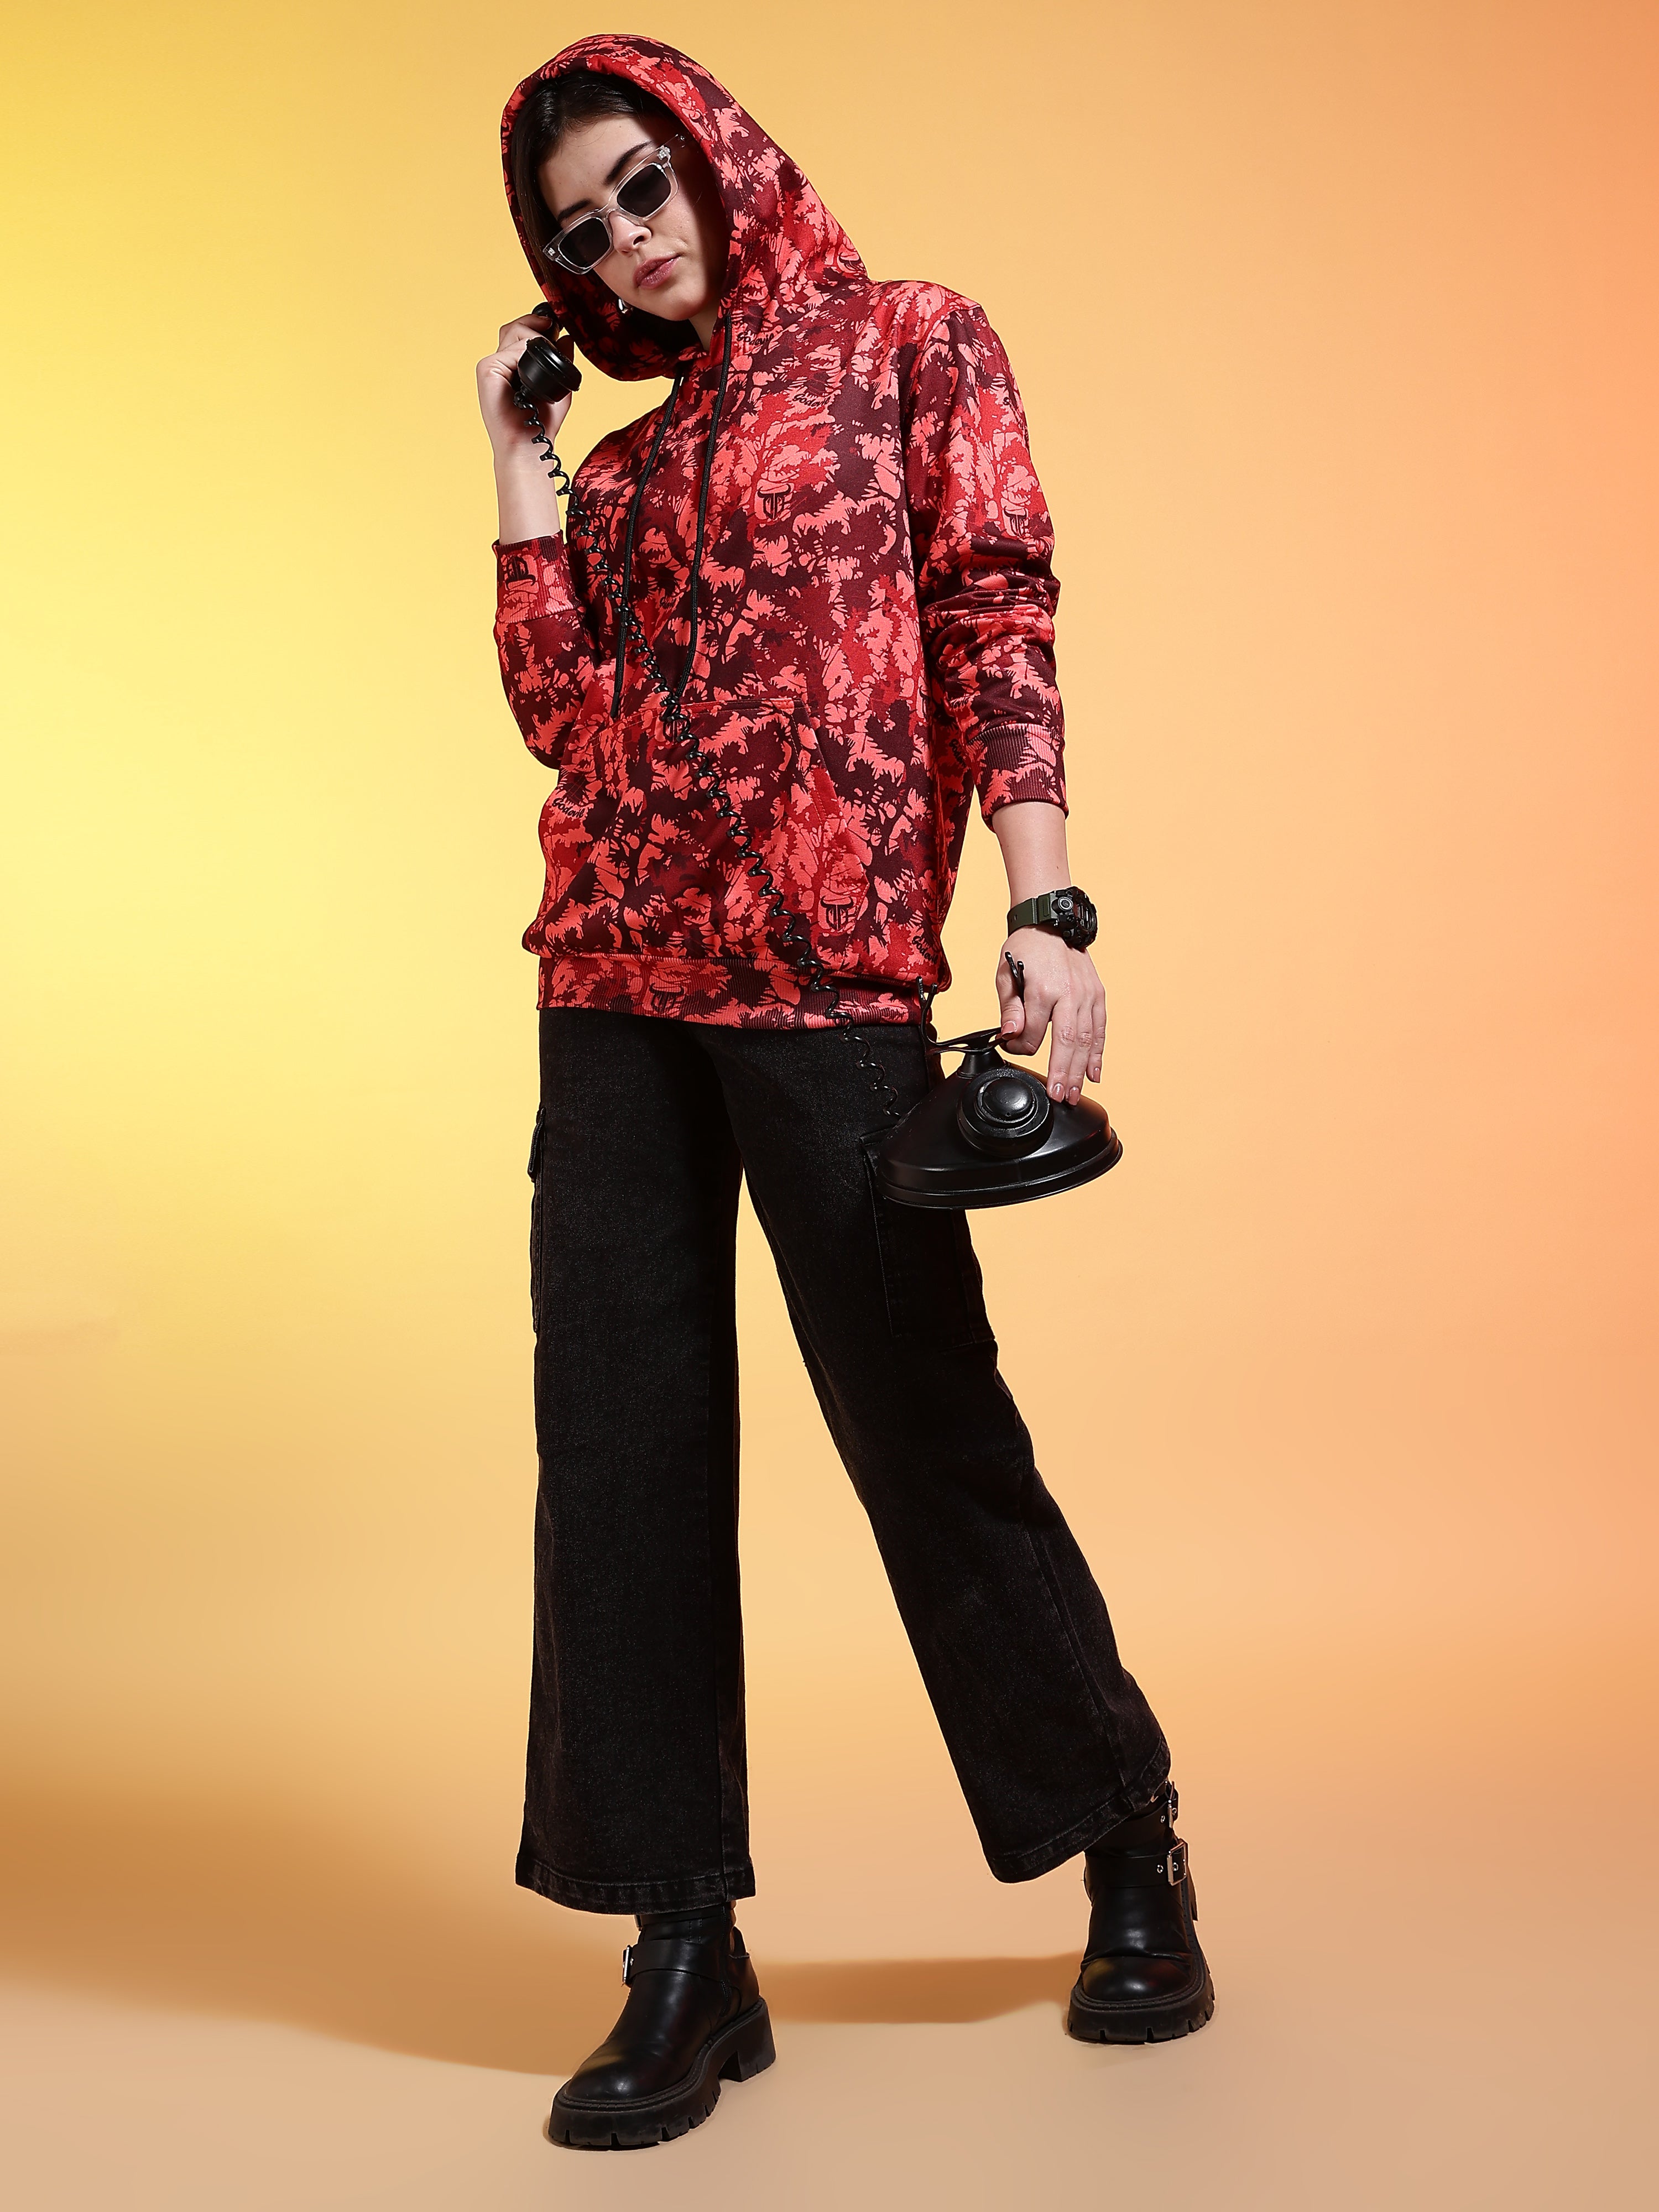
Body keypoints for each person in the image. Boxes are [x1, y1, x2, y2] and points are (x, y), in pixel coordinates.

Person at [476, 34, 1212, 2151]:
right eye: (579, 232)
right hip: (612, 983)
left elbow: (995, 610)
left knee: (921, 1419)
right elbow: (561, 714)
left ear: (718, 154)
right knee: (619, 1453)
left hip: (828, 980)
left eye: (644, 183)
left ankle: (1125, 1833)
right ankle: (680, 1949)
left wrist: (1047, 904)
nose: (628, 240)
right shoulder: (624, 476)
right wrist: (518, 458)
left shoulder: (912, 342)